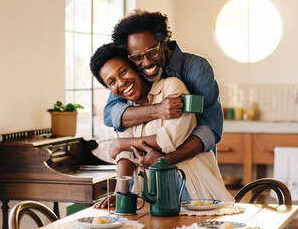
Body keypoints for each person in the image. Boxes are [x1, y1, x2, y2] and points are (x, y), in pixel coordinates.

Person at [90, 43, 233, 208]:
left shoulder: (172, 86)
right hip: (151, 197)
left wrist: (120, 143)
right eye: (111, 82)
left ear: (136, 68)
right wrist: (119, 192)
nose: (121, 82)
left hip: (192, 187)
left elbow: (170, 139)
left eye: (123, 71)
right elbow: (126, 154)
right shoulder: (125, 109)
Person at [103, 9, 224, 168]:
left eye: (152, 52)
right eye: (137, 57)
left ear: (164, 43)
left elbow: (210, 128)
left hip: (193, 173)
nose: (146, 63)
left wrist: (165, 162)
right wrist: (158, 110)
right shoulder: (132, 73)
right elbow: (110, 115)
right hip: (144, 176)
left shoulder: (196, 69)